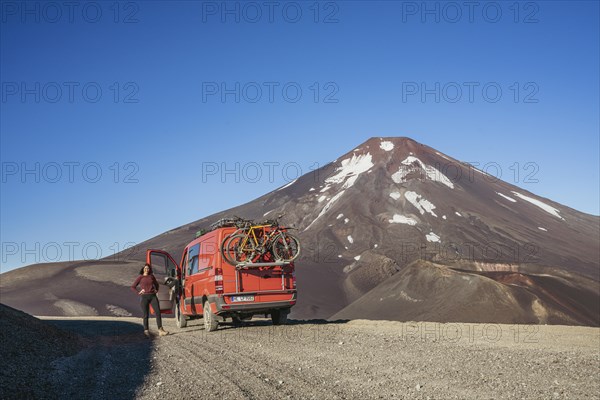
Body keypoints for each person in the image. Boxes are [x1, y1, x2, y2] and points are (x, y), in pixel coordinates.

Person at [131, 264, 169, 337]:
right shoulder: (140, 277)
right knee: (146, 315)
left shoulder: (151, 276)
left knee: (158, 312)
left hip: (153, 296)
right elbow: (133, 287)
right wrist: (139, 292)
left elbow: (157, 285)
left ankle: (160, 330)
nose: (146, 269)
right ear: (143, 269)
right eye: (145, 268)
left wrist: (156, 290)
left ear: (149, 269)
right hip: (144, 297)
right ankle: (146, 331)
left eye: (148, 268)